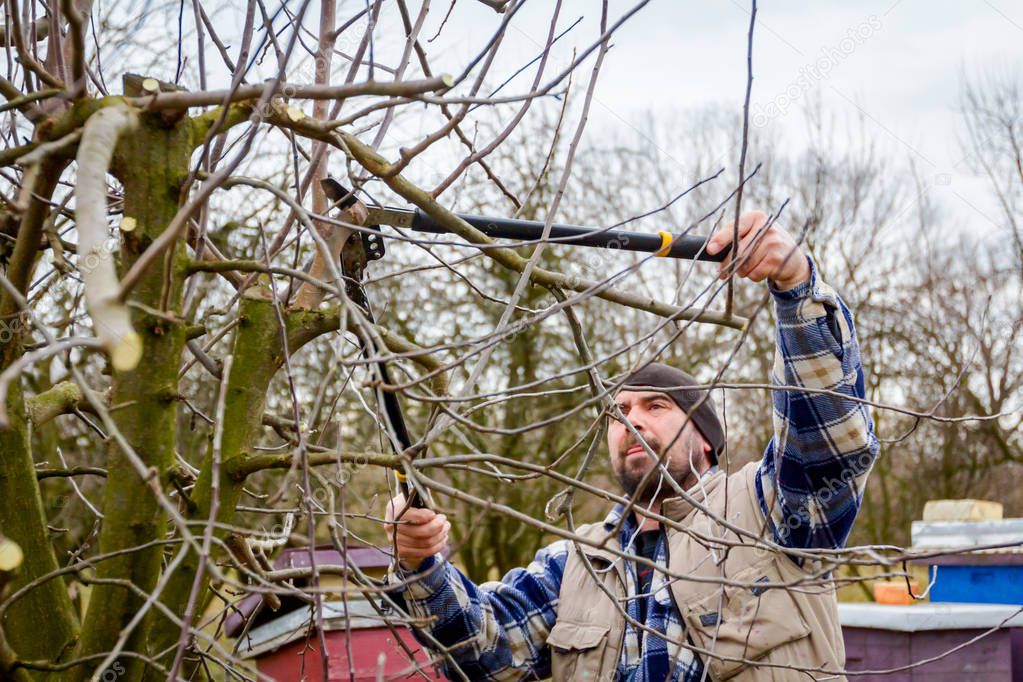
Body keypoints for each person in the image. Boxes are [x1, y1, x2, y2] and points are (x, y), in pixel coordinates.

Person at [385, 211, 880, 681]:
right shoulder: (574, 563)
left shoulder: (768, 513)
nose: (632, 422)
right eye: (619, 413)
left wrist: (796, 286)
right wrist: (419, 564)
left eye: (657, 407)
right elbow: (484, 652)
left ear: (706, 440)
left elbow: (829, 442)